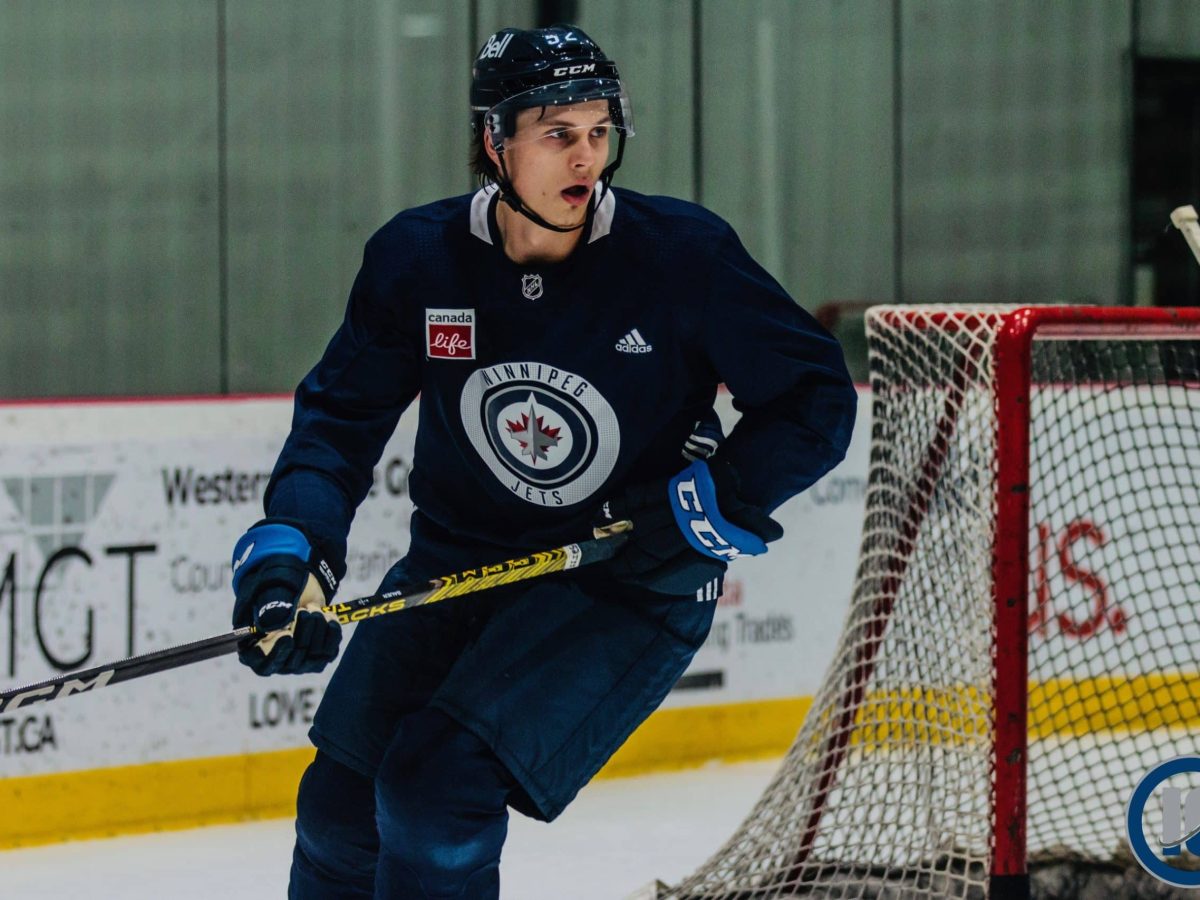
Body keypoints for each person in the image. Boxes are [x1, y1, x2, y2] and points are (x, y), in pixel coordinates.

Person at [228, 23, 856, 900]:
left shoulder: (681, 256)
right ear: (497, 142)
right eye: (559, 133)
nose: (586, 157)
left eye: (599, 131)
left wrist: (706, 509)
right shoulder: (419, 259)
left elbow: (815, 399)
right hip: (456, 567)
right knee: (338, 809)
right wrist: (292, 552)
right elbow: (339, 423)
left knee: (436, 791)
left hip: (622, 582)